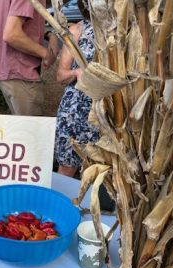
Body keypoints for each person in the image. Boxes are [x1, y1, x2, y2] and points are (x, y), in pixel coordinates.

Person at [0, 0, 58, 116]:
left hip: (8, 68)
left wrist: (49, 34)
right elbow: (12, 35)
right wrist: (45, 53)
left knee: (21, 126)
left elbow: (25, 25)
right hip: (19, 70)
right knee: (30, 131)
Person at [54, 0, 99, 178]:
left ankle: (93, 205)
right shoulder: (76, 31)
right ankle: (58, 205)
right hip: (77, 111)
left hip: (108, 111)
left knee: (102, 169)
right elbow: (60, 76)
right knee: (67, 167)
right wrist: (77, 72)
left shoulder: (121, 33)